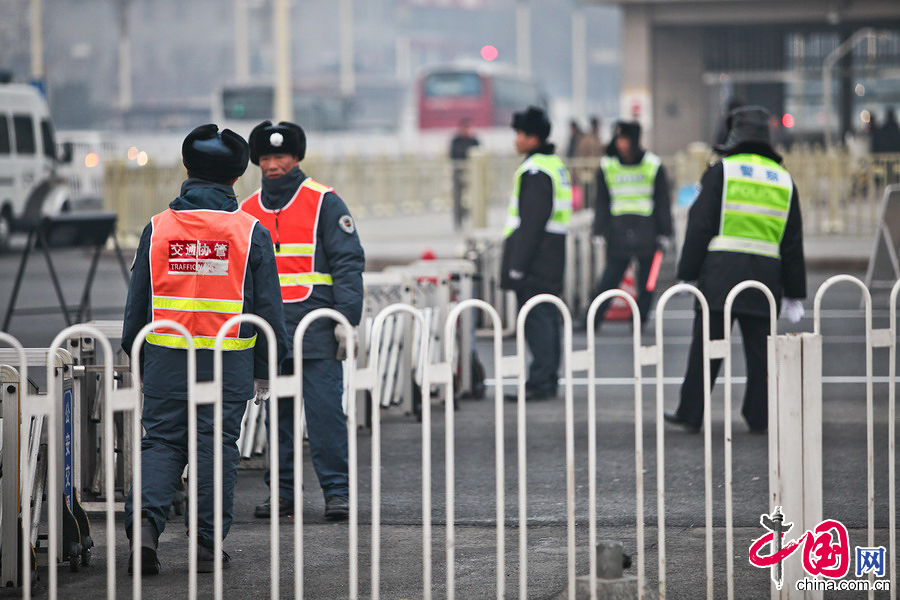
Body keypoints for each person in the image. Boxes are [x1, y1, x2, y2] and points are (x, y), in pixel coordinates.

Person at [121, 124, 289, 574]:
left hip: (164, 358)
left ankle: (145, 533)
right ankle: (206, 544)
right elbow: (268, 307)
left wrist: (138, 357)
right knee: (216, 448)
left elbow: (138, 304)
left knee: (160, 445)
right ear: (238, 177)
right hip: (228, 362)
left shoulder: (157, 228)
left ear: (186, 169)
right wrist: (270, 366)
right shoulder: (249, 232)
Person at [241, 120, 365, 521]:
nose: (273, 165)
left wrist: (347, 320)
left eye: (280, 156)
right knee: (276, 419)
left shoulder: (325, 202)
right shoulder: (247, 210)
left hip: (317, 331)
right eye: (265, 158)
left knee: (326, 415)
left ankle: (337, 494)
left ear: (296, 158)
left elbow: (348, 264)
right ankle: (281, 494)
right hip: (271, 334)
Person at [665, 106, 807, 434]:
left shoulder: (721, 172)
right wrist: (794, 292)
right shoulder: (783, 180)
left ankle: (691, 411)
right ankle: (759, 416)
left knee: (706, 348)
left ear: (735, 137)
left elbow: (699, 226)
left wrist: (687, 271)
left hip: (720, 277)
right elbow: (792, 240)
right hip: (764, 280)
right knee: (760, 355)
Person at [500, 106, 572, 401]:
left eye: (519, 134)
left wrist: (517, 265)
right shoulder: (554, 164)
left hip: (536, 256)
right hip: (553, 252)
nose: (515, 140)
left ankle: (541, 381)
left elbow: (531, 222)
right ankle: (547, 377)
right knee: (547, 316)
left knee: (536, 317)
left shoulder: (535, 170)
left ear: (533, 138)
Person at [590, 120, 672, 330]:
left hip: (647, 228)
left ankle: (639, 319)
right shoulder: (607, 165)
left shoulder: (653, 164)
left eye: (625, 139)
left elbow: (662, 200)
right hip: (618, 229)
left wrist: (666, 232)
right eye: (618, 139)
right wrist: (598, 230)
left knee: (648, 281)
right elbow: (601, 201)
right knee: (609, 278)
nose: (621, 144)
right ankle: (592, 319)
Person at [449, 118, 480, 230]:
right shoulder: (456, 141)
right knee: (457, 197)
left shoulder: (474, 141)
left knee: (474, 197)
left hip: (473, 173)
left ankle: (474, 218)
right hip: (458, 171)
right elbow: (453, 155)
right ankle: (458, 221)